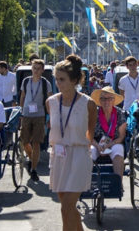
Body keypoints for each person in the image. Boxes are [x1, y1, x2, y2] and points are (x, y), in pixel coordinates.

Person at [47, 55, 97, 231]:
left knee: (67, 206)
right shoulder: (51, 102)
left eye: (62, 79)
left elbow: (90, 132)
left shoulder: (88, 104)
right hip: (59, 155)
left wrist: (82, 146)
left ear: (74, 80)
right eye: (56, 79)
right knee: (66, 208)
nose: (58, 83)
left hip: (79, 156)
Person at [19, 59, 52, 181]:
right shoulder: (26, 81)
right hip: (27, 114)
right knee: (25, 141)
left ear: (42, 70)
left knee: (36, 142)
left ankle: (33, 169)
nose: (36, 70)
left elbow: (49, 100)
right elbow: (22, 96)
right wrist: (21, 112)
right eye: (34, 68)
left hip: (40, 115)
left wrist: (50, 116)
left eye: (38, 68)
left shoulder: (45, 83)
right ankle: (33, 159)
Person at [90, 86, 126, 179]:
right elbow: (88, 135)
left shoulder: (120, 113)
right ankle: (87, 185)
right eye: (103, 99)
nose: (106, 101)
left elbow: (121, 136)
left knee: (118, 152)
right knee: (88, 153)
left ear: (113, 100)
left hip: (114, 142)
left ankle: (117, 185)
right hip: (96, 143)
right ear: (100, 101)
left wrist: (108, 145)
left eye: (109, 98)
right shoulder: (94, 113)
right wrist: (98, 146)